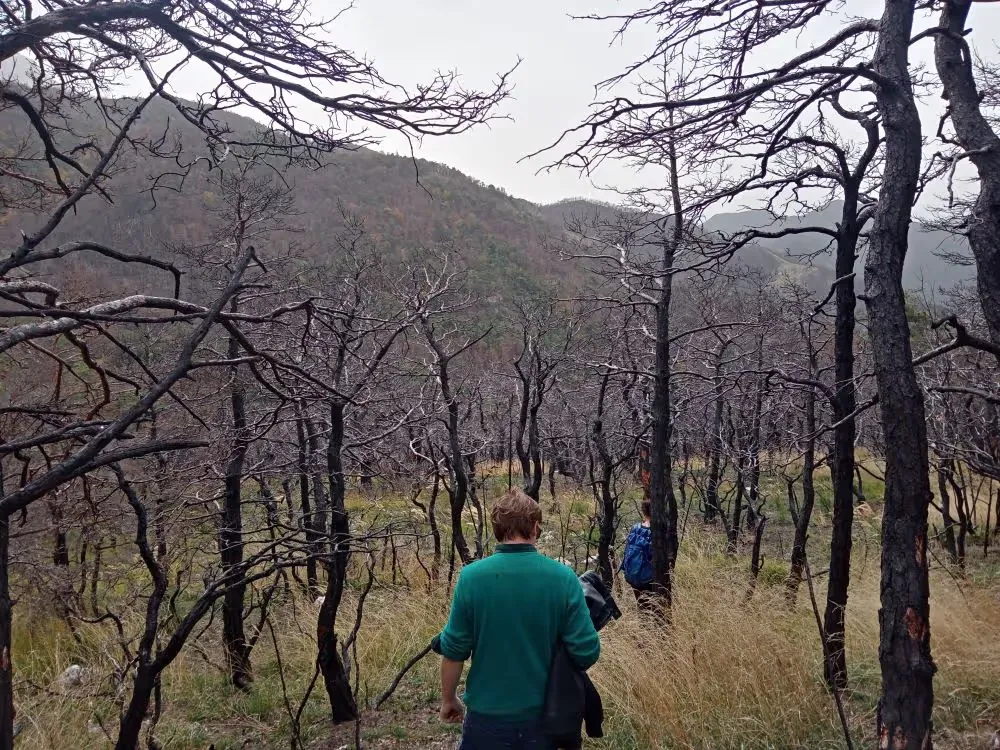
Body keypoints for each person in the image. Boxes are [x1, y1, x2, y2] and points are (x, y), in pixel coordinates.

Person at [436, 488, 601, 749]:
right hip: (545, 719)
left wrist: (449, 700)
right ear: (535, 527)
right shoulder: (563, 577)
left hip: (485, 720)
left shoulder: (471, 577)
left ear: (497, 530)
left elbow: (454, 650)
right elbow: (587, 652)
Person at [620, 500, 654, 609]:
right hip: (647, 577)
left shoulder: (635, 527)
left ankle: (642, 625)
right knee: (654, 607)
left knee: (641, 605)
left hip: (632, 575)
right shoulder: (655, 532)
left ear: (644, 512)